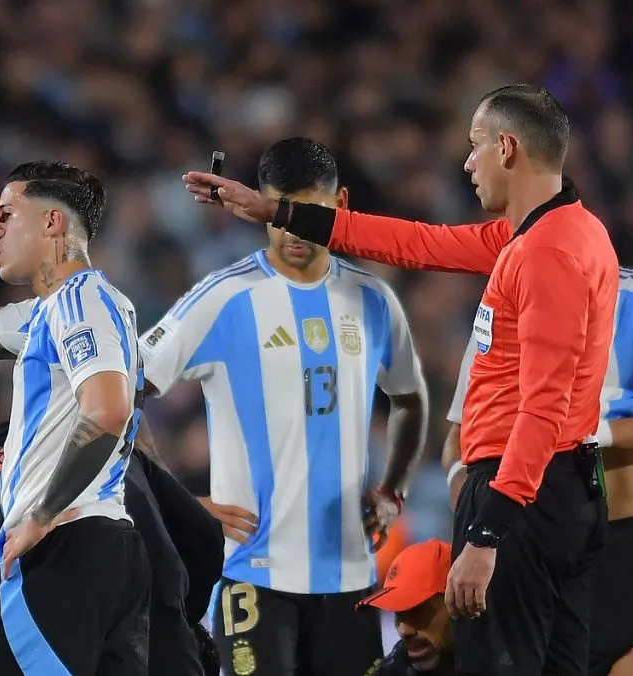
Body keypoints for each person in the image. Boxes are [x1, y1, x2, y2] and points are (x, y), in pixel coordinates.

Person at [184, 84, 617, 675]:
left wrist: (488, 533)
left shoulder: (547, 253)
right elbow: (415, 243)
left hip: (522, 496)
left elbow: (543, 405)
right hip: (563, 487)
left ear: (508, 148)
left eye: (476, 146)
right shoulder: (559, 233)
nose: (468, 162)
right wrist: (278, 211)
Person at [143, 137, 429, 676]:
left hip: (350, 576)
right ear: (262, 207)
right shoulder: (223, 298)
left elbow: (410, 399)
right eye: (279, 214)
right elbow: (121, 396)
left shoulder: (373, 299)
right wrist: (179, 502)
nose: (293, 231)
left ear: (340, 203)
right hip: (254, 576)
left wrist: (393, 491)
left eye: (310, 214)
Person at [0, 161, 150, 675]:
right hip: (100, 546)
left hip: (63, 542)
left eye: (7, 213)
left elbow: (108, 411)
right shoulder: (52, 311)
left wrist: (40, 515)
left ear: (53, 223)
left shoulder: (81, 301)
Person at [445, 267, 633, 676]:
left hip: (618, 540)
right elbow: (459, 438)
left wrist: (590, 431)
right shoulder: (500, 303)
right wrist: (471, 504)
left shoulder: (632, 301)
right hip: (520, 537)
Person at [0, 418, 224, 675]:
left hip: (42, 591)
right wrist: (179, 612)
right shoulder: (120, 452)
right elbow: (203, 534)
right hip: (146, 590)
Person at [357, 539, 456, 676]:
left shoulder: (493, 657)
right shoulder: (394, 669)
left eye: (416, 611)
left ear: (459, 602)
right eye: (398, 613)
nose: (403, 631)